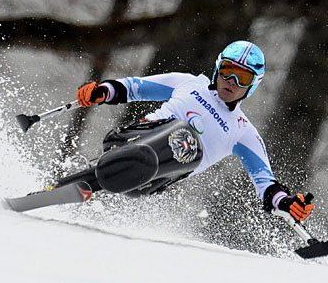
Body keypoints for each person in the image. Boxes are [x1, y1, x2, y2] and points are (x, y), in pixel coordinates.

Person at [69, 40, 314, 223]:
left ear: (252, 85)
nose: (231, 81)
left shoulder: (244, 132)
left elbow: (266, 184)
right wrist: (101, 91)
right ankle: (72, 184)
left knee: (187, 143)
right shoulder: (189, 83)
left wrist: (288, 203)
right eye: (228, 71)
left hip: (152, 177)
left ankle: (104, 175)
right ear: (218, 69)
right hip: (128, 141)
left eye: (242, 77)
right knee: (179, 133)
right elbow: (134, 88)